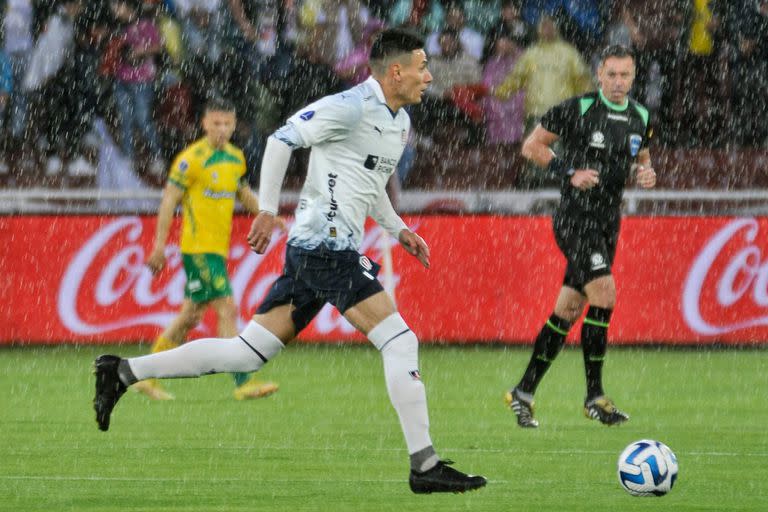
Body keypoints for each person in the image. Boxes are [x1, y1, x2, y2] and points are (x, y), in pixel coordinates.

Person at [92, 27, 487, 494]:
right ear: (395, 71)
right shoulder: (351, 105)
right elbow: (282, 139)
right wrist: (265, 209)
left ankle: (122, 371)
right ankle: (425, 467)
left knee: (246, 352)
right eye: (421, 66)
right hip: (325, 248)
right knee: (401, 342)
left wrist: (397, 227)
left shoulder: (398, 121)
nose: (428, 75)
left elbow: (369, 182)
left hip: (320, 251)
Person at [504, 45, 656, 428]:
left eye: (625, 75)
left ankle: (522, 392)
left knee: (569, 309)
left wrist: (646, 172)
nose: (619, 82)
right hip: (575, 218)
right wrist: (569, 171)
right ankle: (595, 396)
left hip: (607, 224)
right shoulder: (579, 108)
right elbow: (531, 145)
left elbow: (642, 157)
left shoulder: (641, 116)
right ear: (599, 75)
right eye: (612, 75)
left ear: (633, 77)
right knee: (604, 294)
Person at [134, 97, 279, 402]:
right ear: (204, 124)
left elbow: (243, 193)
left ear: (235, 125)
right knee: (226, 308)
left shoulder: (235, 157)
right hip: (198, 249)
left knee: (190, 316)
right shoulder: (191, 159)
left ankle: (144, 375)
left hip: (217, 250)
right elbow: (169, 202)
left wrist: (268, 217)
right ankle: (243, 381)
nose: (222, 129)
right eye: (216, 123)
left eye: (227, 123)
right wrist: (158, 246)